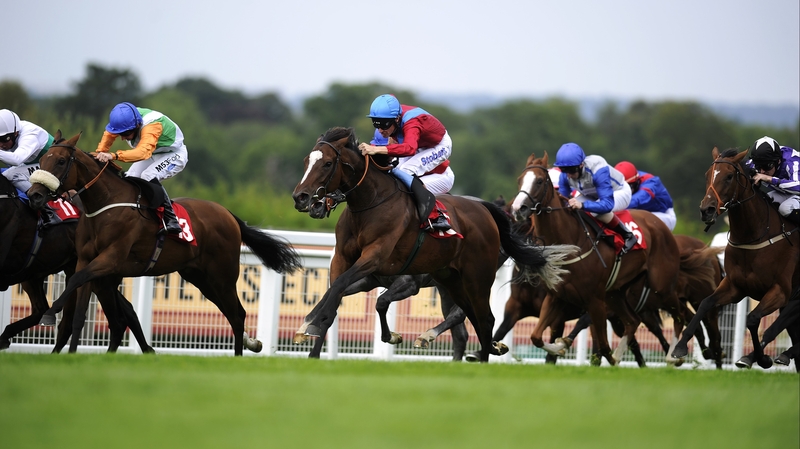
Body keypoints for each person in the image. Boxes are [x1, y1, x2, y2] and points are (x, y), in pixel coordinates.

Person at [358, 94, 454, 232]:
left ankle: (437, 215)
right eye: (376, 123)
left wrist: (377, 149)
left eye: (384, 125)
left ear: (397, 119)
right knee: (396, 169)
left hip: (438, 145)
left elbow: (410, 148)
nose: (380, 130)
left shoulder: (412, 122)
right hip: (419, 143)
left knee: (406, 170)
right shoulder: (389, 117)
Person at [94, 102, 187, 235]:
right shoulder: (124, 119)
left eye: (125, 133)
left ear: (137, 125)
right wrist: (99, 153)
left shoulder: (152, 126)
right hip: (154, 153)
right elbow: (108, 136)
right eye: (119, 133)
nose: (122, 138)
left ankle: (171, 219)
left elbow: (143, 153)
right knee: (129, 177)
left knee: (148, 175)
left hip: (174, 154)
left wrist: (113, 155)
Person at [553, 143, 637, 253]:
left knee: (595, 212)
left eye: (571, 170)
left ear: (581, 165)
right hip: (593, 195)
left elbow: (607, 204)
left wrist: (582, 205)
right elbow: (562, 201)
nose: (568, 175)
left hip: (618, 192)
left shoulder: (598, 169)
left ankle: (627, 235)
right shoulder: (565, 175)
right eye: (564, 170)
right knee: (570, 209)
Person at [0, 109, 60, 224]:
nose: (0, 145)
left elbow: (16, 159)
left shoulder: (30, 134)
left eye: (3, 139)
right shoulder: (9, 132)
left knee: (10, 174)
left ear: (15, 133)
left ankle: (44, 205)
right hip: (32, 165)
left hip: (53, 167)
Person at [746, 136, 800, 224]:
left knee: (786, 208)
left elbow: (798, 187)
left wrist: (770, 179)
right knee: (764, 202)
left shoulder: (792, 161)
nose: (762, 171)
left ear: (778, 161)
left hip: (797, 191)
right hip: (788, 193)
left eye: (767, 166)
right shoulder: (754, 163)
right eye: (758, 167)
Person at [614, 161, 677, 231]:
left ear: (637, 182)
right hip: (640, 213)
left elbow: (637, 200)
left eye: (628, 187)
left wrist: (612, 205)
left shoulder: (652, 183)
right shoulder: (625, 179)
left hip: (664, 215)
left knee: (634, 217)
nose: (624, 191)